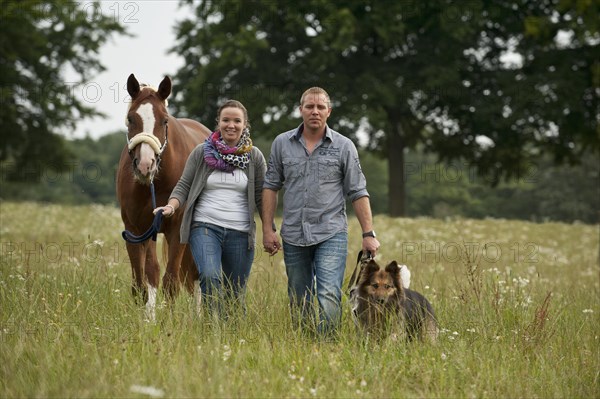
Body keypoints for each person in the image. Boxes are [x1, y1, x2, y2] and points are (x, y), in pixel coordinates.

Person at [262, 87, 380, 335]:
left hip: (331, 232)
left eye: (320, 107)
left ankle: (328, 347)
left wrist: (368, 233)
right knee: (298, 296)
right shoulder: (282, 143)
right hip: (293, 234)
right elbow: (271, 186)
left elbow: (358, 191)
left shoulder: (344, 146)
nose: (314, 111)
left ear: (329, 111)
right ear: (301, 110)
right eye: (309, 106)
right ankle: (304, 345)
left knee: (327, 294)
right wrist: (267, 229)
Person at [154, 100, 267, 316]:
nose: (230, 125)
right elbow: (183, 185)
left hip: (241, 232)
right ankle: (210, 329)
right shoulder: (201, 153)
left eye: (236, 121)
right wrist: (170, 206)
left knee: (235, 292)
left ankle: (231, 339)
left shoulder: (254, 157)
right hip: (205, 228)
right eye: (226, 120)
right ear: (218, 123)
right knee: (209, 276)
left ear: (245, 125)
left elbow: (263, 197)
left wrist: (269, 230)